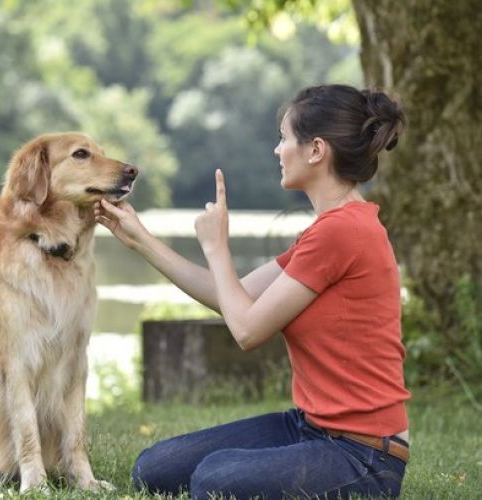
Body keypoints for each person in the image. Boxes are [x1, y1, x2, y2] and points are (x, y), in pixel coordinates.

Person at [94, 84, 411, 499]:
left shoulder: (343, 232)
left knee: (213, 480)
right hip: (311, 429)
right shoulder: (326, 231)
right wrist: (139, 239)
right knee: (154, 468)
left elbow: (245, 330)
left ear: (316, 150)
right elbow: (235, 296)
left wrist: (217, 247)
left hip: (363, 456)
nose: (277, 150)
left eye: (284, 138)